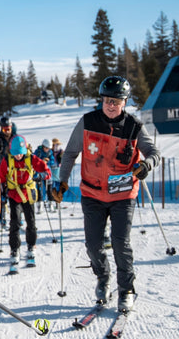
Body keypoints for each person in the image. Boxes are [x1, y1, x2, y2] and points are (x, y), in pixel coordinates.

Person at [51, 76, 160, 313]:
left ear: (124, 102)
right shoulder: (87, 122)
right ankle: (103, 277)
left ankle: (127, 290)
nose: (111, 105)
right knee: (92, 245)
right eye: (107, 100)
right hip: (92, 193)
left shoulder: (134, 127)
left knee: (121, 243)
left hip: (123, 194)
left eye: (116, 101)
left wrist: (146, 165)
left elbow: (153, 152)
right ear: (102, 100)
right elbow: (69, 154)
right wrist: (62, 181)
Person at [1, 135, 51, 266]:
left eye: (20, 153)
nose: (18, 156)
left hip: (28, 194)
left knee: (31, 221)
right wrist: (1, 192)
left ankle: (31, 245)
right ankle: (14, 249)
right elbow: (0, 177)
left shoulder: (31, 158)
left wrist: (41, 176)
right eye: (15, 153)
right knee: (15, 223)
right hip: (13, 194)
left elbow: (47, 171)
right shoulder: (7, 160)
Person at [0, 116, 16, 227]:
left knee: (15, 194)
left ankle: (16, 218)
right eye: (4, 130)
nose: (7, 132)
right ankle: (1, 217)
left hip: (14, 171)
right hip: (1, 171)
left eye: (8, 129)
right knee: (1, 195)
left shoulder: (15, 139)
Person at [32, 139, 56, 211]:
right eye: (46, 148)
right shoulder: (38, 152)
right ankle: (39, 205)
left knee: (49, 188)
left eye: (48, 148)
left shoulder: (50, 152)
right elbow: (34, 160)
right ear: (43, 146)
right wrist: (41, 161)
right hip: (39, 172)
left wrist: (48, 162)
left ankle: (50, 204)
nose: (47, 150)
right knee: (39, 188)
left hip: (47, 172)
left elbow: (52, 161)